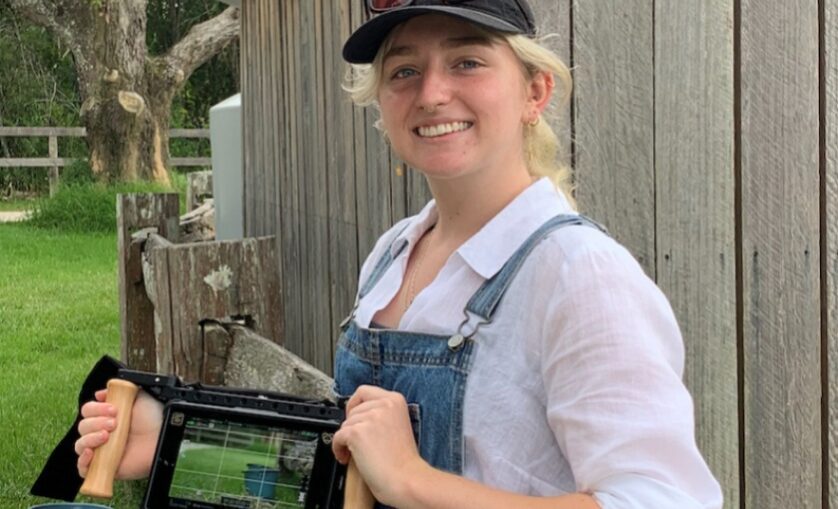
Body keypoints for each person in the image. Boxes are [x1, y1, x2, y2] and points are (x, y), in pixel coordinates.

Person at [75, 1, 724, 508]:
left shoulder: (581, 275)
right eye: (404, 70)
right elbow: (348, 463)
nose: (433, 92)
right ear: (381, 105)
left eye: (467, 61)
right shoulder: (394, 253)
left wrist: (414, 482)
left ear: (534, 92)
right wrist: (178, 441)